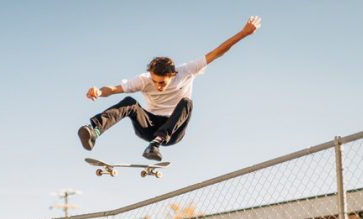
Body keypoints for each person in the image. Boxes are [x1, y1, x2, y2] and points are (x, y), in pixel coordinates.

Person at [78, 16, 261, 161]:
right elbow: (115, 89)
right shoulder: (144, 79)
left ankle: (155, 146)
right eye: (155, 81)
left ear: (172, 75)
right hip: (148, 126)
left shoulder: (187, 70)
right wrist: (100, 91)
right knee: (130, 102)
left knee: (186, 102)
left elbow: (217, 52)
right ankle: (94, 131)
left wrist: (243, 33)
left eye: (162, 83)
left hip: (173, 130)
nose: (158, 86)